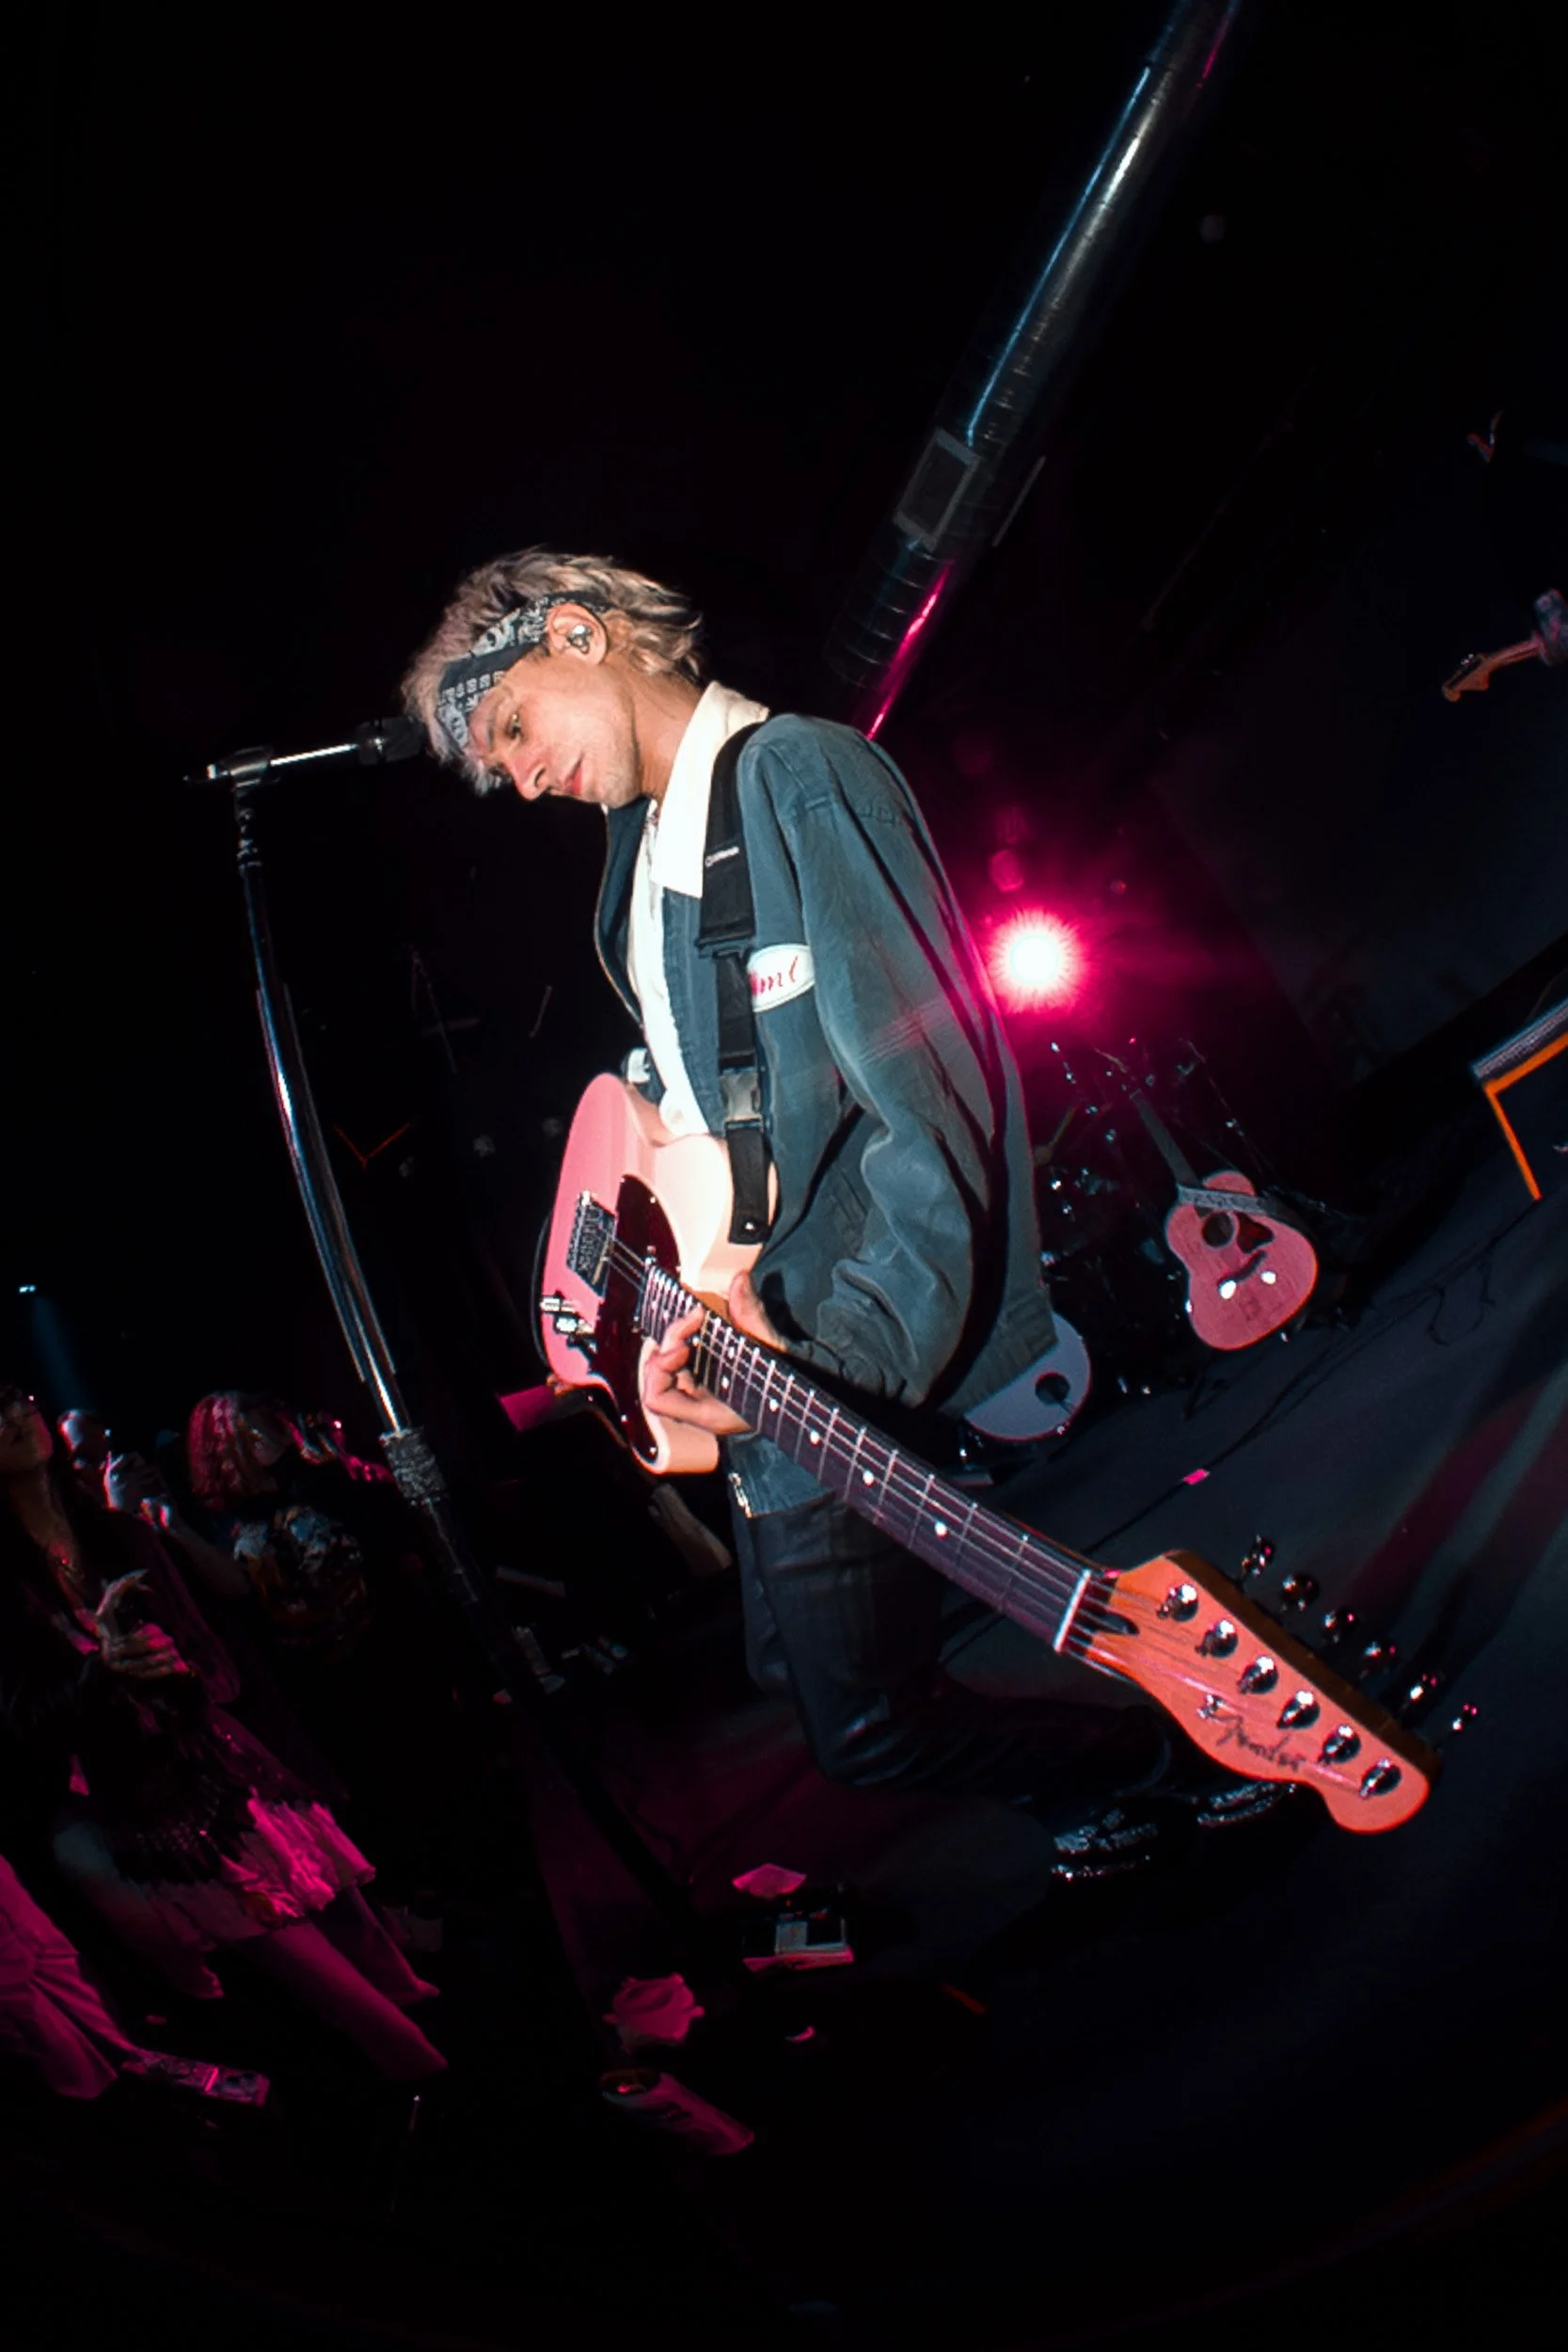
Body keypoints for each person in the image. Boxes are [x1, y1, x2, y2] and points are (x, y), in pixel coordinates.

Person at [401, 549, 1274, 1861]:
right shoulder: (639, 863)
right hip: (754, 1322)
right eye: (497, 765)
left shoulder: (794, 775)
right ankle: (1120, 1781)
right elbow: (706, 1121)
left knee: (857, 1725)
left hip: (823, 1321)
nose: (520, 779)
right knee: (797, 1675)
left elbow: (929, 1092)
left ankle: (1155, 1760)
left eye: (513, 728)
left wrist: (844, 1348)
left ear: (575, 633)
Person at [0, 1382, 446, 2078]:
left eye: (16, 1399)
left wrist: (175, 1666)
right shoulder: (7, 1589)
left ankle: (467, 2064)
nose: (13, 1415)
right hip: (150, 1807)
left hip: (225, 1768)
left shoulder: (119, 1534)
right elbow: (29, 1725)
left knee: (381, 1957)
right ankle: (434, 2088)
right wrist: (103, 1671)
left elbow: (216, 1664)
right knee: (346, 1999)